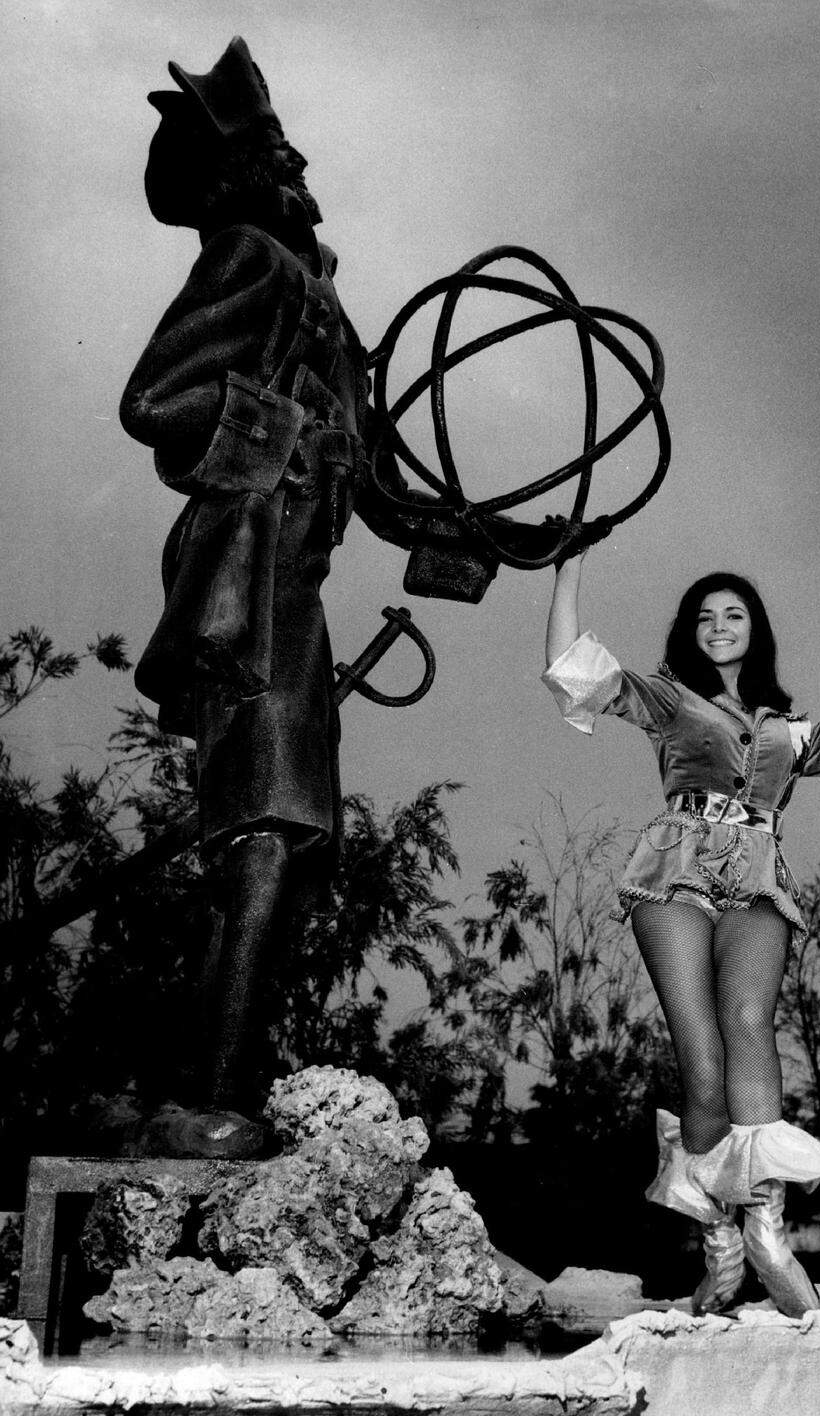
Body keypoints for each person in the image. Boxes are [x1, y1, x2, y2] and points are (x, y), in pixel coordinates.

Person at [542, 554, 820, 1317]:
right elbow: (573, 669)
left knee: (748, 1024)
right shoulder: (669, 699)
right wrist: (567, 570)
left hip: (758, 874)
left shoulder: (788, 732)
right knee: (701, 1061)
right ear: (691, 636)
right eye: (705, 617)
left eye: (733, 615)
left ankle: (766, 1227)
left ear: (754, 632)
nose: (719, 627)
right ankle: (719, 1243)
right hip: (675, 864)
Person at [121, 38, 385, 1156]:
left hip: (300, 598)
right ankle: (213, 1099)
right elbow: (156, 400)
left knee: (284, 844)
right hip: (247, 583)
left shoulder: (320, 293)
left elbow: (376, 475)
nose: (296, 160)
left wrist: (499, 534)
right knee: (268, 836)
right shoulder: (249, 260)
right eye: (273, 147)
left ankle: (207, 1084)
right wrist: (286, 437)